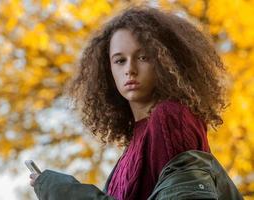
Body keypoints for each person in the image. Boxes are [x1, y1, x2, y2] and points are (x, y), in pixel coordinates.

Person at [28, 4, 243, 200]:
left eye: (143, 57)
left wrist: (62, 192)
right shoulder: (134, 142)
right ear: (108, 70)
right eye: (120, 61)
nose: (129, 69)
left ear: (165, 61)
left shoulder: (171, 117)